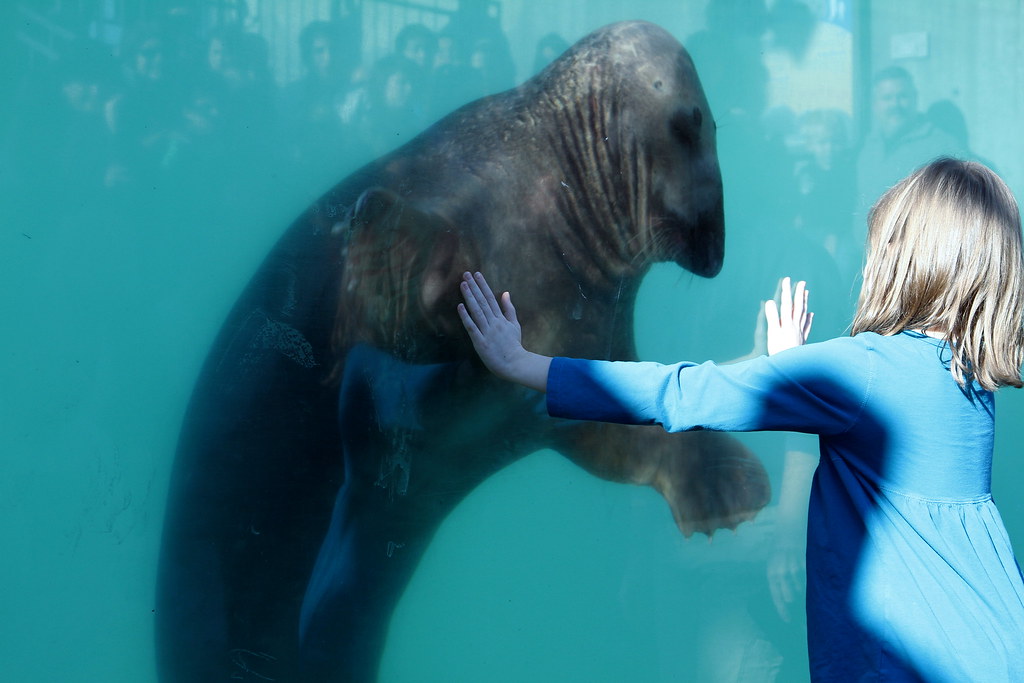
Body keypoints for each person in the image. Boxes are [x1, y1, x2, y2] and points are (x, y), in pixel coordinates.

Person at [456, 157, 1024, 681]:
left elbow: (684, 394)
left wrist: (527, 364)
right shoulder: (967, 380)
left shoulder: (865, 370)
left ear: (907, 259)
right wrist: (791, 372)